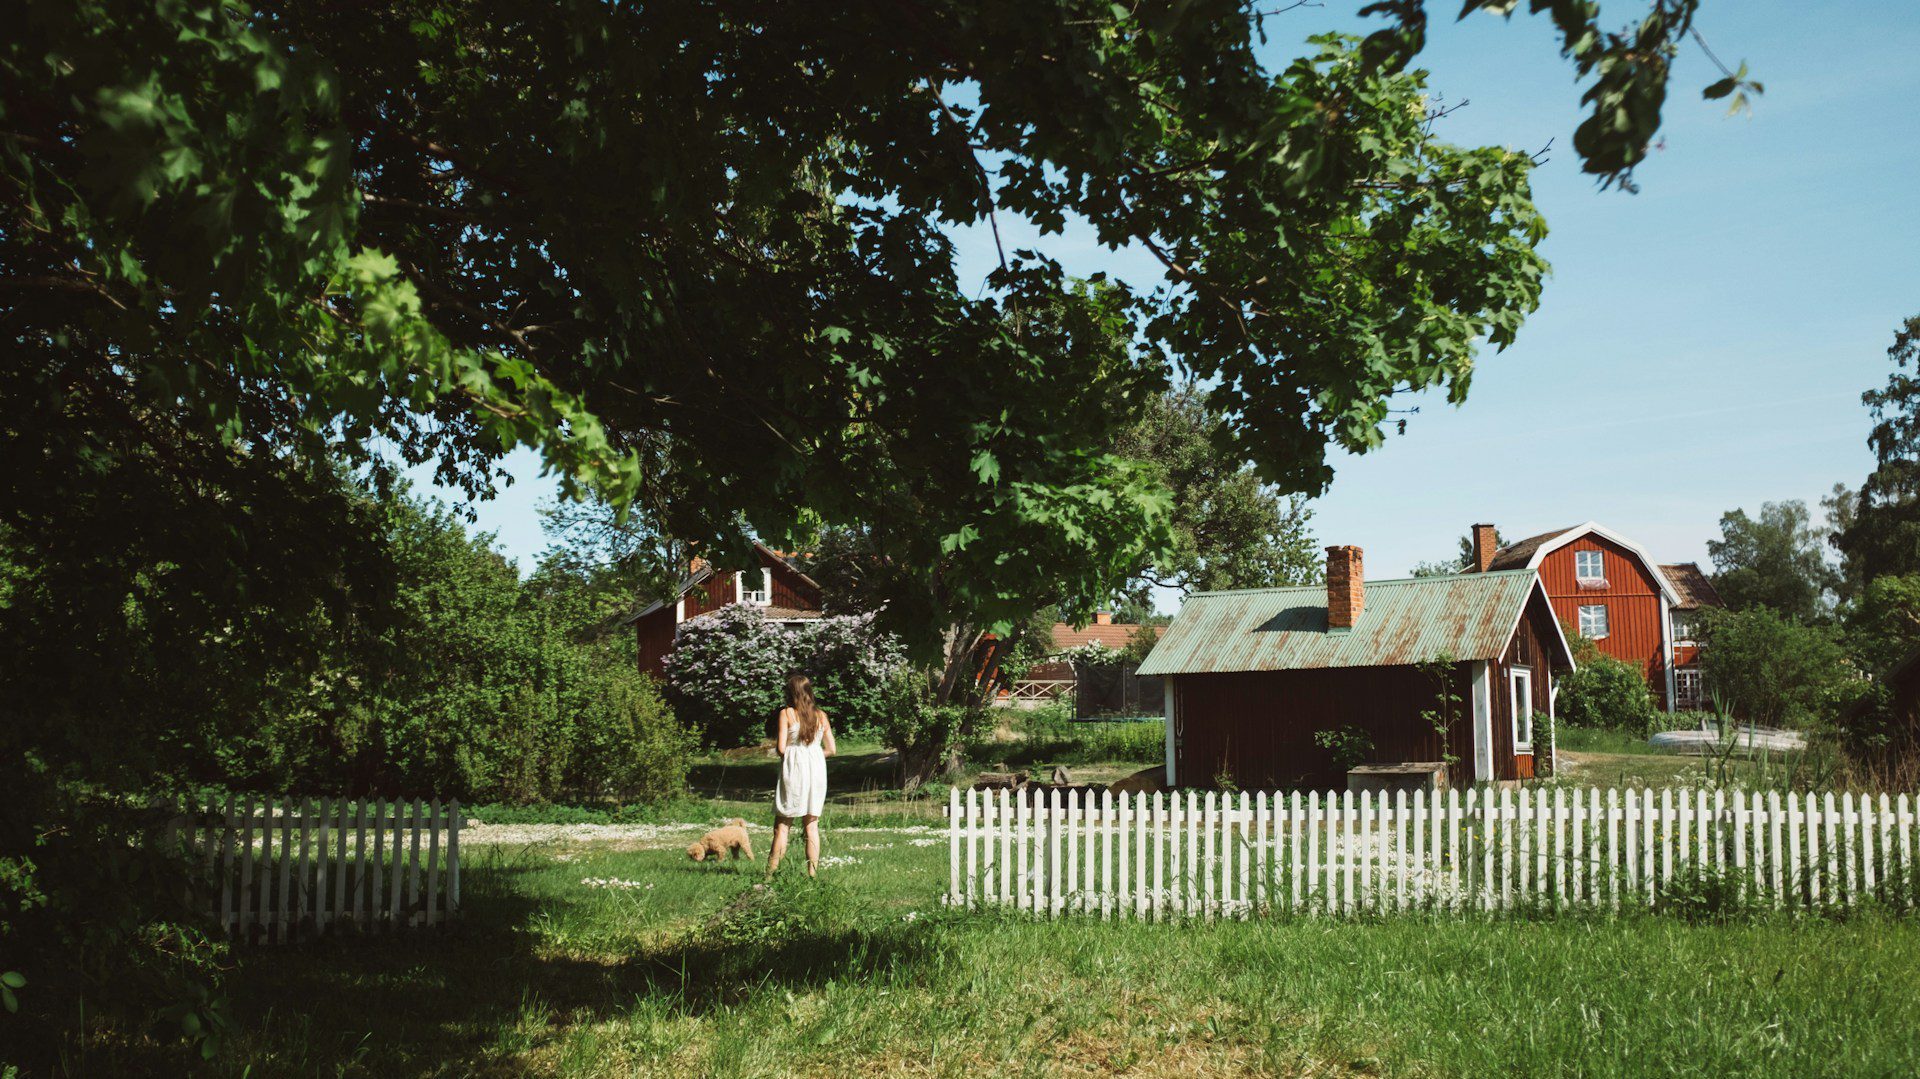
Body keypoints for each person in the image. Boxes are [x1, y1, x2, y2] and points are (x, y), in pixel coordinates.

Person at [765, 673, 835, 878]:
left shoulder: (786, 713)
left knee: (783, 825)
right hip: (817, 770)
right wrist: (811, 754)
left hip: (795, 771)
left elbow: (780, 748)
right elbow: (831, 749)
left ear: (791, 693)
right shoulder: (821, 715)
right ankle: (811, 875)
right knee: (811, 825)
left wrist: (798, 754)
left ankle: (769, 876)